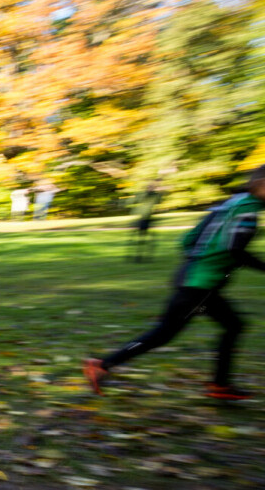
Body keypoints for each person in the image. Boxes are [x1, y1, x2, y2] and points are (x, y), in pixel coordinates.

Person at [85, 164, 265, 400]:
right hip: (201, 287)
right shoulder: (246, 211)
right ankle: (102, 364)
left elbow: (188, 240)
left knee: (179, 331)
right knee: (193, 330)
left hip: (193, 280)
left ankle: (103, 365)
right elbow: (235, 250)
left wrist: (201, 260)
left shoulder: (230, 204)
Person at [128, 181, 163, 263]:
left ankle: (147, 257)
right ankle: (138, 256)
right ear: (147, 188)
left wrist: (159, 190)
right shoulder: (144, 195)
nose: (151, 189)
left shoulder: (155, 195)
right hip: (142, 218)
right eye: (149, 187)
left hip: (149, 218)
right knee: (139, 239)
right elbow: (138, 199)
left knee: (148, 239)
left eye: (152, 187)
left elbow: (159, 200)